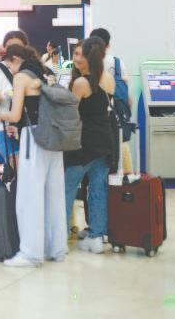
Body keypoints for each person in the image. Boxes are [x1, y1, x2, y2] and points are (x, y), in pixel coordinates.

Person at [0, 44, 68, 267]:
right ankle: (56, 248)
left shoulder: (22, 77)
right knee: (53, 195)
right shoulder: (46, 72)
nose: (10, 70)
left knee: (29, 196)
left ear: (15, 59)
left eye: (9, 65)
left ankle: (30, 253)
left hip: (34, 137)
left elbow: (15, 114)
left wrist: (2, 115)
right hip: (54, 138)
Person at [63, 37, 115, 255]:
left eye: (79, 54)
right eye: (75, 53)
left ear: (89, 57)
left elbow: (70, 114)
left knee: (66, 188)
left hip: (83, 143)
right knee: (98, 189)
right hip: (104, 140)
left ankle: (59, 237)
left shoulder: (81, 83)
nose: (76, 58)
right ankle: (96, 236)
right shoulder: (107, 78)